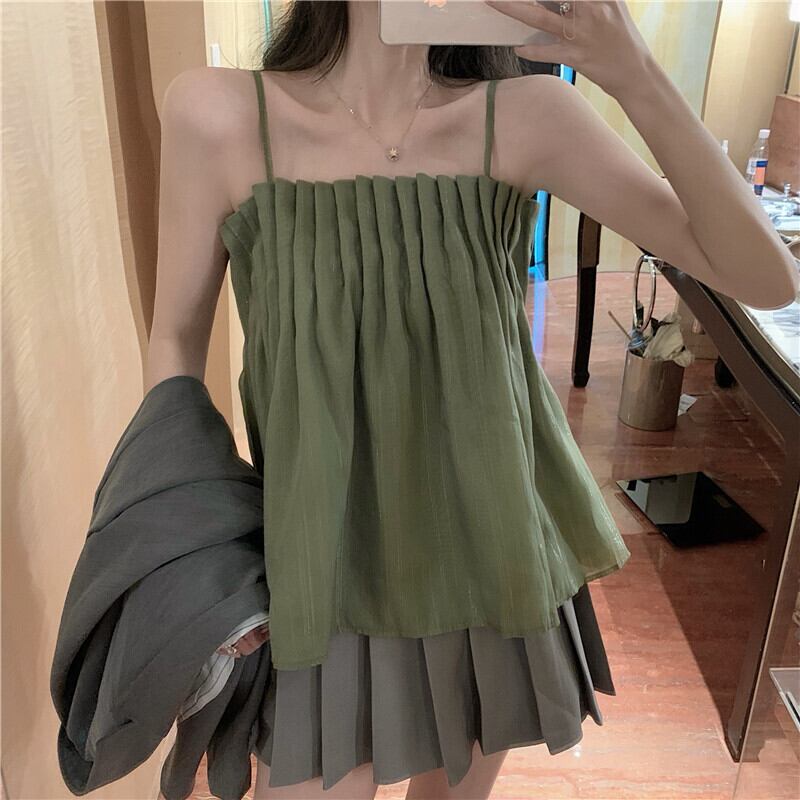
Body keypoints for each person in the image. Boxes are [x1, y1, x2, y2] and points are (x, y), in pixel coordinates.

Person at [151, 2, 798, 799]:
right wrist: (194, 553)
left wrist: (635, 75)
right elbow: (174, 343)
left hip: (490, 558)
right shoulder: (217, 115)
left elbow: (763, 276)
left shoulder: (528, 118)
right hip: (316, 562)